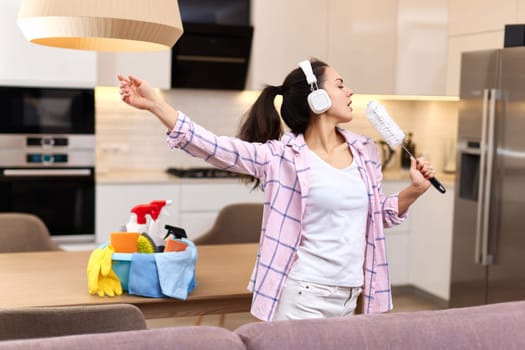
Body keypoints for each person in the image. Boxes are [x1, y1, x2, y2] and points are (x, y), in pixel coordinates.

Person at [118, 58, 435, 322]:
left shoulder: (365, 151)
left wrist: (414, 190)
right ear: (317, 97)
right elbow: (212, 146)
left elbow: (377, 216)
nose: (350, 91)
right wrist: (156, 105)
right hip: (302, 296)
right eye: (340, 84)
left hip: (350, 295)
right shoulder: (280, 157)